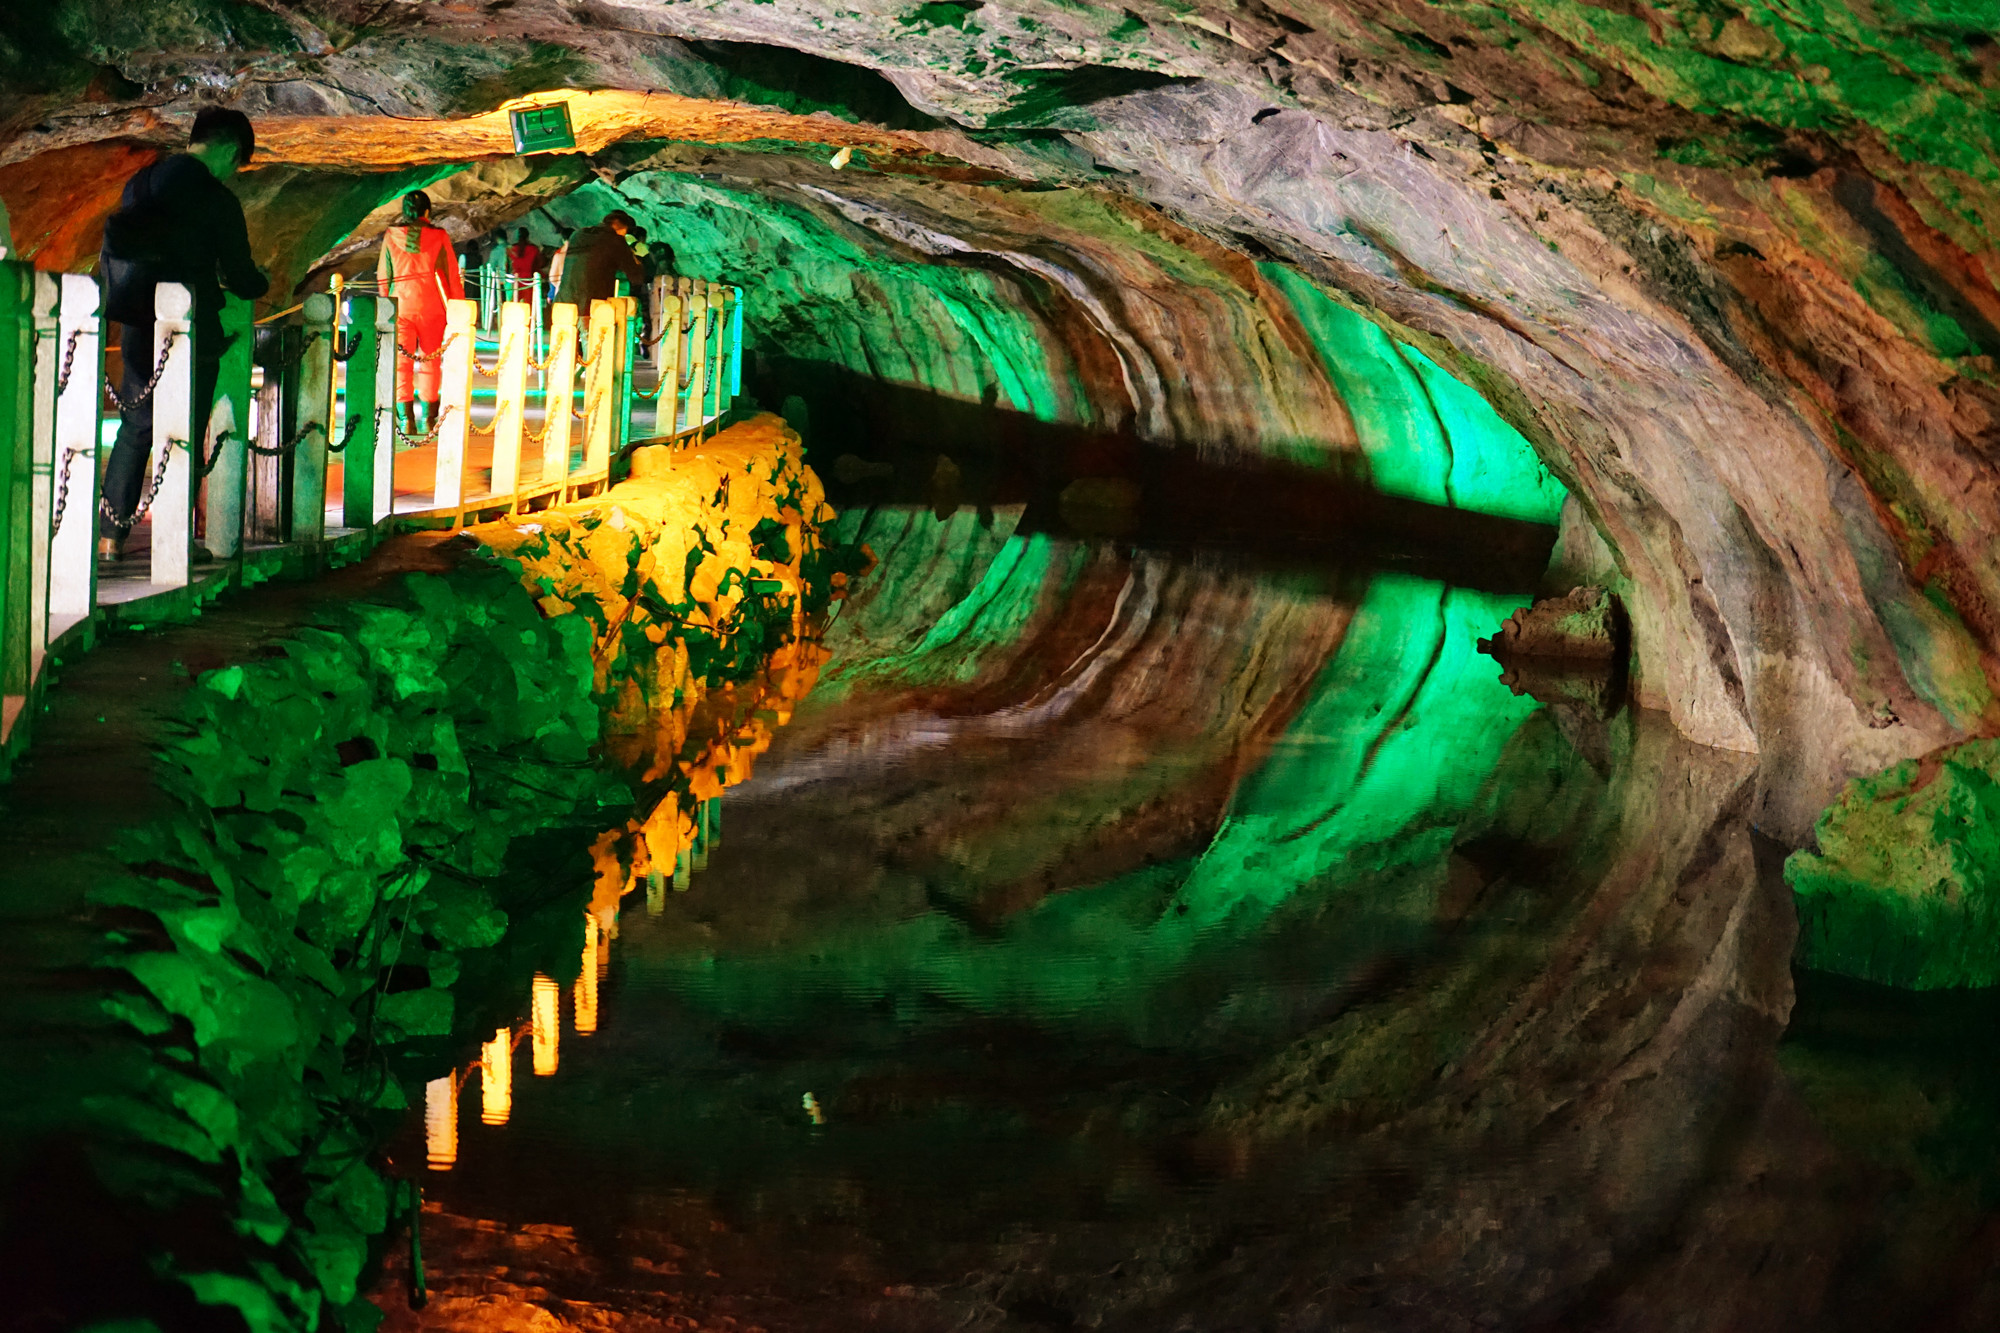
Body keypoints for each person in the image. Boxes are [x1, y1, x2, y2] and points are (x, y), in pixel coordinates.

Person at [97, 106, 270, 560]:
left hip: (138, 322)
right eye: (238, 164)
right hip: (193, 333)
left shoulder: (142, 184)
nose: (233, 173)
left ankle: (110, 538)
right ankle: (174, 542)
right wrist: (260, 282)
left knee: (136, 426)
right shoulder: (217, 200)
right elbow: (240, 273)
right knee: (185, 429)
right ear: (232, 151)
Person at [374, 190, 463, 437]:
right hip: (432, 306)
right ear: (427, 211)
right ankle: (428, 418)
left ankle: (406, 420)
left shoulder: (391, 236)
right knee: (430, 362)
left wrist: (385, 304)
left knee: (401, 364)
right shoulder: (439, 236)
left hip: (400, 306)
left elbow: (384, 275)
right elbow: (450, 274)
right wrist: (458, 306)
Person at [551, 208, 648, 310]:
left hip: (563, 303)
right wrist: (634, 257)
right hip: (590, 306)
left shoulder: (578, 234)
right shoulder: (616, 240)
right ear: (623, 229)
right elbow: (637, 277)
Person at [505, 227, 541, 300]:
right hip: (529, 281)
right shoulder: (534, 249)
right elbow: (539, 264)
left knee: (515, 305)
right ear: (528, 236)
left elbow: (507, 267)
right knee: (528, 307)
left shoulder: (511, 249)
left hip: (515, 282)